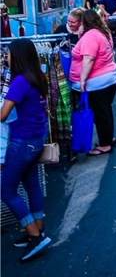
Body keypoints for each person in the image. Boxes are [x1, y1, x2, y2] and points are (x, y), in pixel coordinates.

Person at [0, 39, 52, 261]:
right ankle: (37, 230)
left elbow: (2, 115)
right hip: (36, 139)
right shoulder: (38, 77)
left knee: (6, 190)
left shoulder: (19, 82)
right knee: (31, 185)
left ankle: (34, 235)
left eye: (8, 54)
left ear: (18, 56)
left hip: (22, 142)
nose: (6, 58)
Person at [69, 10, 116, 156]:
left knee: (100, 113)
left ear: (85, 22)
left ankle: (105, 145)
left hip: (97, 83)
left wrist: (82, 79)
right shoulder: (103, 31)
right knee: (105, 111)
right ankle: (108, 138)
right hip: (108, 79)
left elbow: (89, 59)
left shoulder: (91, 36)